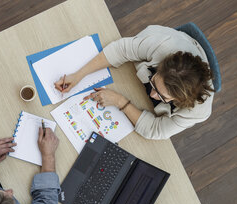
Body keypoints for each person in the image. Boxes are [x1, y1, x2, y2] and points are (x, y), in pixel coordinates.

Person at [55, 25, 214, 140]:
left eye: (161, 96)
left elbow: (154, 130)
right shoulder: (162, 45)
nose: (152, 94)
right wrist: (78, 75)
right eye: (153, 83)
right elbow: (120, 50)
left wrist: (120, 102)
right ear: (161, 66)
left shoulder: (197, 112)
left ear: (179, 100)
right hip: (160, 39)